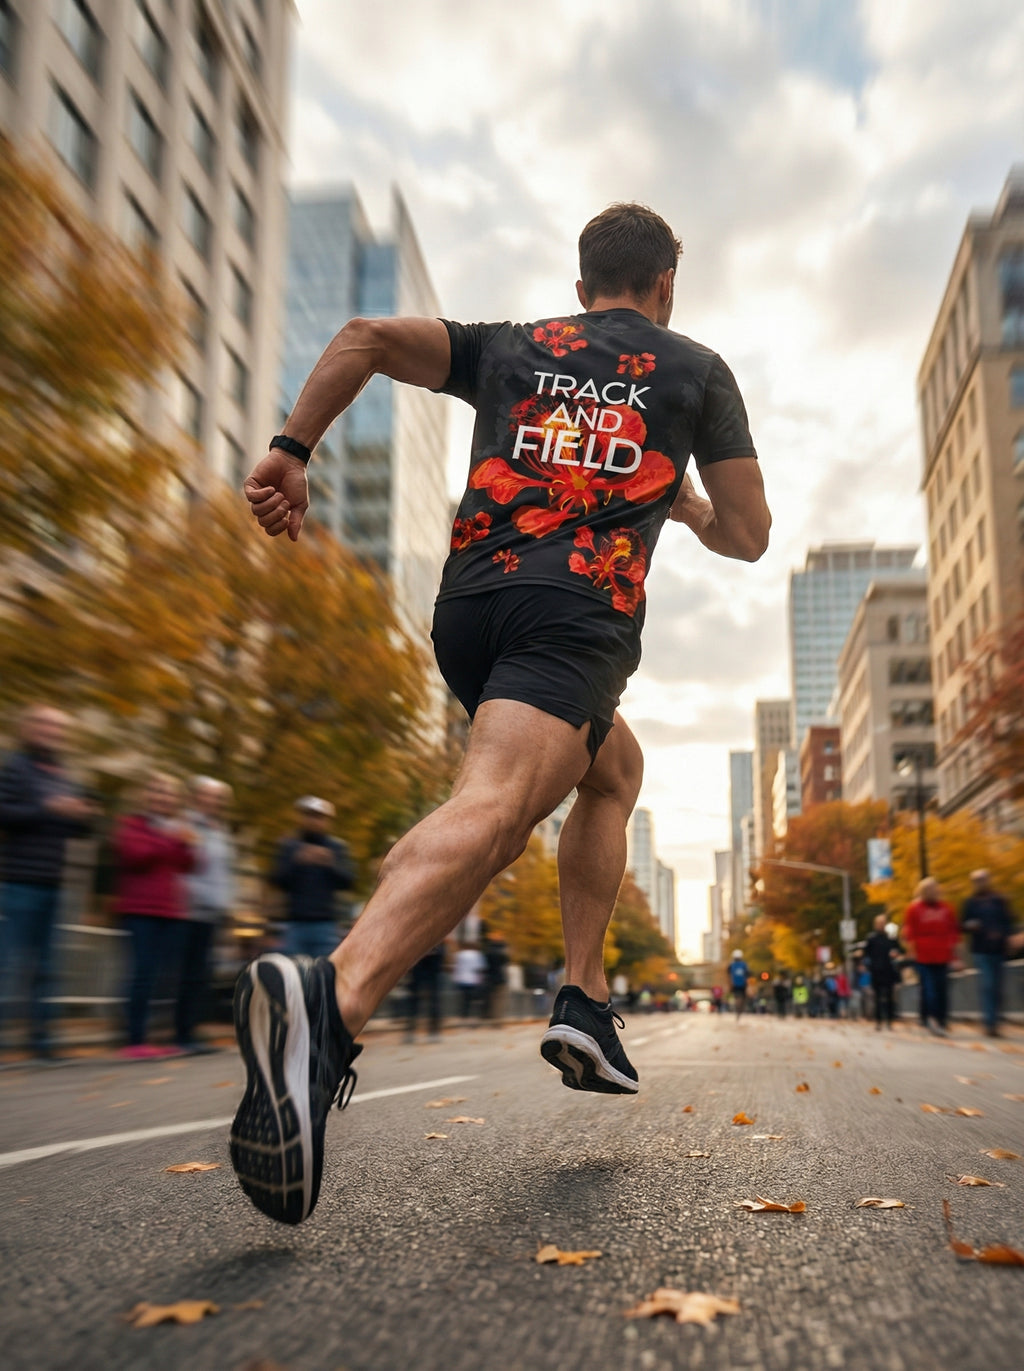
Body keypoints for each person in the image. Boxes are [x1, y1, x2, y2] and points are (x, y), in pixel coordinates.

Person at [231, 201, 771, 1224]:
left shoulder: (517, 347)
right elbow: (747, 534)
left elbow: (362, 338)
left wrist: (289, 449)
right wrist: (688, 506)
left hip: (471, 612)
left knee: (612, 772)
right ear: (666, 286)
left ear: (581, 290)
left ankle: (582, 997)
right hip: (574, 615)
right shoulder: (694, 370)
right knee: (496, 811)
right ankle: (330, 1004)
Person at [0, 706, 97, 1059]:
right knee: (9, 963)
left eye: (57, 726)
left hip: (56, 882)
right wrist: (49, 809)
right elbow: (5, 813)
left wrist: (83, 816)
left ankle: (42, 1040)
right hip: (20, 880)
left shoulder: (64, 774)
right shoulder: (15, 767)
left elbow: (75, 827)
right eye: (43, 723)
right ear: (27, 728)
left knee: (47, 967)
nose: (50, 731)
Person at [113, 773, 196, 1058]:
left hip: (169, 910)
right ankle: (134, 1039)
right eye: (158, 791)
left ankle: (152, 1037)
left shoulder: (176, 831)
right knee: (141, 973)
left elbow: (188, 865)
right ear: (146, 795)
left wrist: (184, 844)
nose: (163, 797)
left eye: (169, 793)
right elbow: (136, 855)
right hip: (140, 910)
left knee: (162, 977)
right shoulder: (133, 824)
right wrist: (170, 840)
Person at [175, 777, 235, 1054]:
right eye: (207, 796)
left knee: (201, 975)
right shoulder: (186, 825)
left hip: (211, 912)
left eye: (218, 798)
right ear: (197, 797)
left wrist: (226, 905)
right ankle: (181, 1033)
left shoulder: (220, 830)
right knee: (185, 973)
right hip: (187, 909)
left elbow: (222, 873)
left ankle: (192, 1031)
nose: (213, 802)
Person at [270, 798, 355, 959]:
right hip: (295, 923)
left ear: (328, 821)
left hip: (325, 925)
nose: (314, 821)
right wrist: (297, 861)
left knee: (324, 974)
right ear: (302, 818)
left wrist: (331, 864)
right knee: (294, 974)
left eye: (319, 817)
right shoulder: (289, 846)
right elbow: (277, 880)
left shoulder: (336, 848)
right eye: (309, 816)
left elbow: (348, 881)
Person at [960, 869, 1016, 1038]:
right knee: (987, 985)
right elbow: (962, 925)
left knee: (998, 987)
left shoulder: (999, 900)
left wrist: (1007, 936)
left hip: (998, 949)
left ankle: (996, 1019)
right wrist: (972, 926)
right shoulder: (970, 903)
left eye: (982, 879)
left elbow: (1008, 921)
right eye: (976, 880)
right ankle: (990, 1022)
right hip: (981, 950)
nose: (980, 883)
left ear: (988, 880)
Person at [901, 877, 960, 1037]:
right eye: (929, 889)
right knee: (929, 989)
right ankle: (932, 1019)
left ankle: (942, 1019)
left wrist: (955, 956)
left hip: (943, 956)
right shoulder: (914, 909)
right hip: (923, 957)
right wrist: (912, 950)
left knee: (942, 989)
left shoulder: (946, 909)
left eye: (935, 888)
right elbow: (910, 933)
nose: (933, 892)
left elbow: (953, 932)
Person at [863, 913, 901, 1030]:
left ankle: (889, 1021)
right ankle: (879, 1021)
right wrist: (867, 966)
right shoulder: (871, 938)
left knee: (890, 997)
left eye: (883, 923)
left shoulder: (891, 938)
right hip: (876, 971)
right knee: (878, 997)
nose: (881, 925)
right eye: (880, 923)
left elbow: (898, 949)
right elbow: (866, 954)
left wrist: (895, 953)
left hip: (889, 970)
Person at [404, 941, 446, 1041]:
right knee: (416, 998)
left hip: (429, 958)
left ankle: (432, 1031)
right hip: (420, 957)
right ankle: (412, 1031)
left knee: (431, 999)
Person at [452, 941, 485, 1019]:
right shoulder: (477, 955)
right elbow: (480, 968)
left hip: (461, 978)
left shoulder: (459, 954)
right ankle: (471, 1013)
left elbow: (456, 967)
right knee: (472, 997)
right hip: (473, 979)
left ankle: (463, 1013)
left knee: (463, 997)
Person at [728, 950, 750, 1019]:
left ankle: (738, 1009)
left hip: (735, 985)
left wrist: (730, 984)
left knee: (737, 998)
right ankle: (739, 1010)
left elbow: (729, 975)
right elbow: (748, 974)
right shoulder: (744, 964)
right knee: (742, 998)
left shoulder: (731, 965)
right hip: (743, 984)